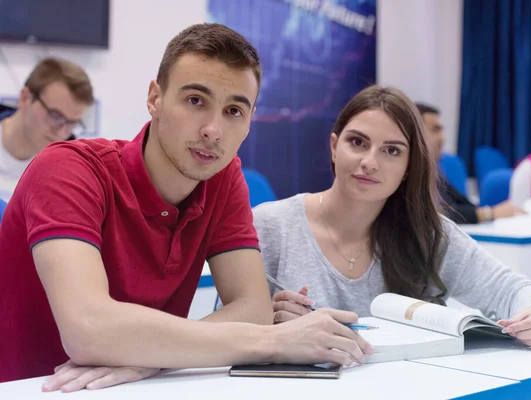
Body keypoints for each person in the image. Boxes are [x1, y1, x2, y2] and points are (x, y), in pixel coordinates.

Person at [0, 23, 372, 390]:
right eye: (196, 101)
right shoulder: (67, 168)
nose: (213, 130)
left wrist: (152, 357)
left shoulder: (223, 178)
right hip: (34, 389)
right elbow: (88, 329)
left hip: (143, 390)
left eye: (234, 111)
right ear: (154, 99)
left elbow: (253, 309)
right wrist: (276, 341)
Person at [250, 85, 531, 350]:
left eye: (392, 151)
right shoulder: (271, 225)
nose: (370, 162)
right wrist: (267, 323)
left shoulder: (427, 234)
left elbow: (513, 289)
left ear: (409, 167)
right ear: (334, 147)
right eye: (357, 142)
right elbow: (229, 326)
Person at [0, 57, 93, 202]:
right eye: (55, 115)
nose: (62, 132)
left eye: (72, 123)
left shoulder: (69, 172)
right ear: (25, 98)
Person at [415, 103, 523, 223]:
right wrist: (490, 213)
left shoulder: (434, 171)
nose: (442, 137)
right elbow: (437, 215)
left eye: (441, 130)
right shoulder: (411, 175)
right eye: (435, 130)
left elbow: (461, 203)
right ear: (416, 133)